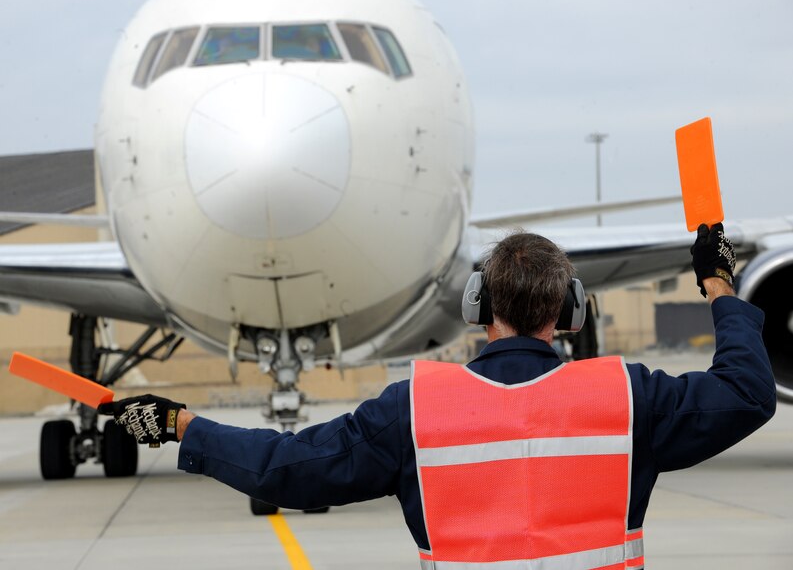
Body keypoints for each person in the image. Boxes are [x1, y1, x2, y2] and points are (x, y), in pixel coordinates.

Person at [100, 223, 775, 568]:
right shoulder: (628, 398)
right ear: (570, 311)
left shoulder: (413, 408)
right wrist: (716, 285)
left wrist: (180, 424)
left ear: (478, 307)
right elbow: (747, 392)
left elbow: (287, 471)